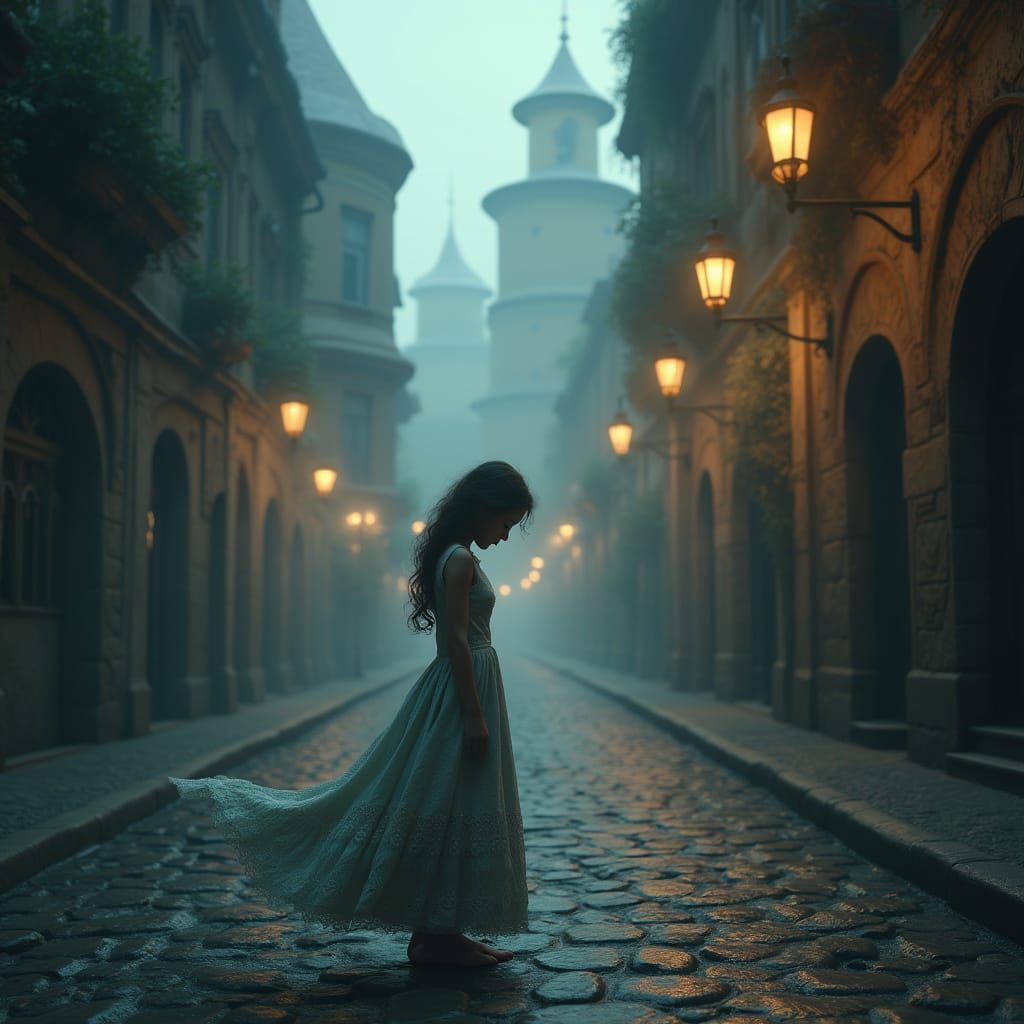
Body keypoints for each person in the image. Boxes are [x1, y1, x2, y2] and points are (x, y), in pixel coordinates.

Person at [168, 460, 534, 969]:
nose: (507, 535)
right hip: (459, 693)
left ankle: (443, 931)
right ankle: (434, 936)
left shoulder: (460, 556)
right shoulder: (458, 561)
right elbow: (452, 639)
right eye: (506, 524)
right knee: (441, 798)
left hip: (465, 687)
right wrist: (473, 713)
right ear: (484, 508)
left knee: (451, 802)